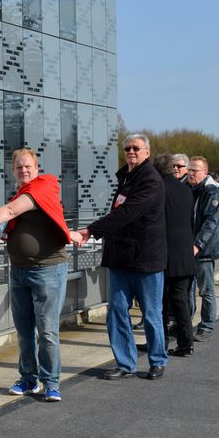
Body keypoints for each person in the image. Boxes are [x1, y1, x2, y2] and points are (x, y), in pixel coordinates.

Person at [0, 149, 79, 401]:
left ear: (37, 167)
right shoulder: (22, 192)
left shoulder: (43, 186)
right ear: (13, 170)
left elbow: (9, 211)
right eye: (19, 167)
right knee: (24, 330)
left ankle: (51, 382)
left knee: (47, 330)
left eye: (28, 166)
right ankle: (29, 378)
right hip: (19, 271)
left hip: (47, 270)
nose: (24, 171)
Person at [74, 134, 168, 380]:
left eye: (136, 148)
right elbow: (121, 213)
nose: (131, 151)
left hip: (145, 259)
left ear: (147, 152)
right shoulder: (126, 177)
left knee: (150, 313)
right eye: (127, 148)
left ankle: (157, 360)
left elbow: (128, 212)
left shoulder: (150, 180)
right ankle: (126, 364)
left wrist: (91, 230)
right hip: (120, 258)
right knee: (116, 311)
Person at [153, 154, 196, 357]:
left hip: (165, 253)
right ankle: (186, 343)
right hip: (185, 252)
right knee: (181, 301)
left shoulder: (158, 189)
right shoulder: (186, 190)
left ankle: (160, 343)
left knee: (160, 302)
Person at [186, 157, 219, 341]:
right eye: (190, 169)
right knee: (186, 289)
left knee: (206, 289)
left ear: (205, 173)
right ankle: (185, 323)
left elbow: (211, 222)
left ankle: (207, 325)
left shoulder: (211, 193)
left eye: (195, 170)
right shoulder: (188, 189)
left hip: (204, 249)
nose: (191, 173)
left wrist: (197, 244)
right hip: (187, 247)